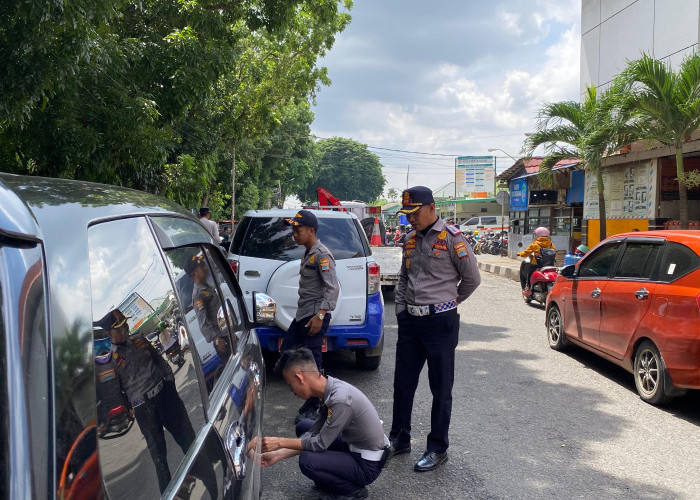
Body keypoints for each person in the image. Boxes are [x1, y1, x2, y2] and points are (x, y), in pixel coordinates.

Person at [389, 186, 481, 472]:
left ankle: (437, 447)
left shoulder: (453, 239)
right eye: (407, 214)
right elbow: (404, 278)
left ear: (431, 208)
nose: (410, 219)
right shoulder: (408, 241)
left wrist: (449, 303)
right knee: (403, 385)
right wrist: (401, 309)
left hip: (440, 323)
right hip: (410, 323)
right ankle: (399, 439)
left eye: (414, 213)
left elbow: (471, 279)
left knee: (440, 388)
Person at [93, 308, 216, 495]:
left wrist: (170, 385)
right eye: (120, 326)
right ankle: (170, 494)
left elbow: (160, 362)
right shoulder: (108, 361)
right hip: (145, 410)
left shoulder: (139, 340)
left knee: (190, 442)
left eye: (125, 323)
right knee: (159, 460)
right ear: (110, 334)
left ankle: (215, 488)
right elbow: (116, 392)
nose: (126, 327)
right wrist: (131, 406)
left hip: (166, 397)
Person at [255, 348, 389, 500]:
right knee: (304, 426)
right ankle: (329, 476)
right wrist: (278, 454)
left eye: (290, 384)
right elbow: (314, 432)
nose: (292, 391)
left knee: (308, 461)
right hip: (352, 446)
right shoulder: (328, 388)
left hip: (366, 465)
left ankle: (353, 491)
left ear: (300, 378)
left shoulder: (340, 399)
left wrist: (278, 442)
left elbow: (320, 444)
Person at [282, 209, 340, 421]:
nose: (294, 234)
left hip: (314, 315)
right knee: (287, 350)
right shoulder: (308, 252)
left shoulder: (322, 255)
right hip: (303, 315)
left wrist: (321, 315)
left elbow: (332, 287)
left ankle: (318, 402)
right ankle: (313, 394)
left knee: (314, 360)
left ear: (312, 230)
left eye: (298, 230)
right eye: (293, 230)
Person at [184, 252, 233, 359]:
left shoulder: (206, 285)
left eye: (203, 265)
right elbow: (203, 324)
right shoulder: (198, 296)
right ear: (194, 274)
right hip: (223, 340)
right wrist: (216, 340)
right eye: (201, 267)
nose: (205, 268)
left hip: (227, 332)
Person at [517, 226, 556, 291]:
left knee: (529, 273)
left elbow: (525, 253)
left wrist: (519, 253)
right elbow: (554, 254)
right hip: (550, 265)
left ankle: (528, 287)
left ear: (538, 235)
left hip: (537, 265)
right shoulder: (552, 245)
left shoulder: (534, 245)